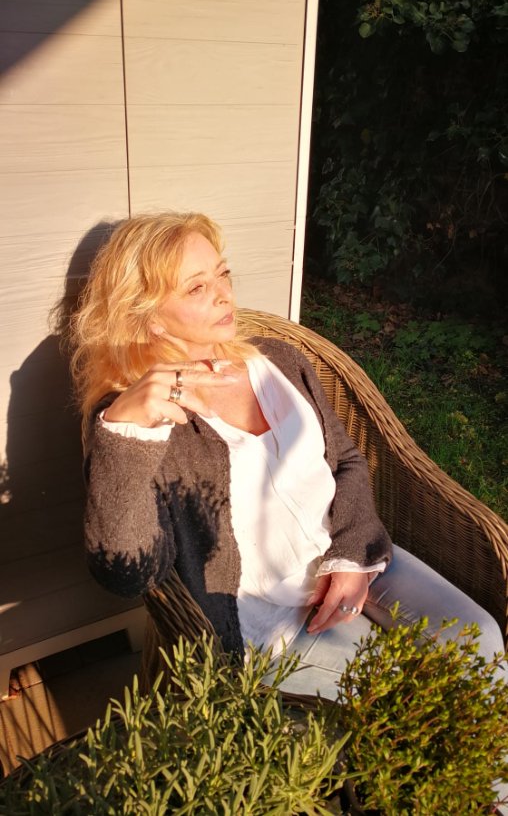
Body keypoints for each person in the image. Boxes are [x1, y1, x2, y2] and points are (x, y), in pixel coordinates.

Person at [71, 212, 504, 701]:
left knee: (483, 641)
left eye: (223, 273)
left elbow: (346, 460)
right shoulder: (142, 422)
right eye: (196, 287)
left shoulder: (279, 360)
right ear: (147, 314)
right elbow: (128, 574)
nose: (224, 294)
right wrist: (124, 432)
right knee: (409, 694)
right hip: (274, 626)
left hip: (353, 555)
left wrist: (352, 555)